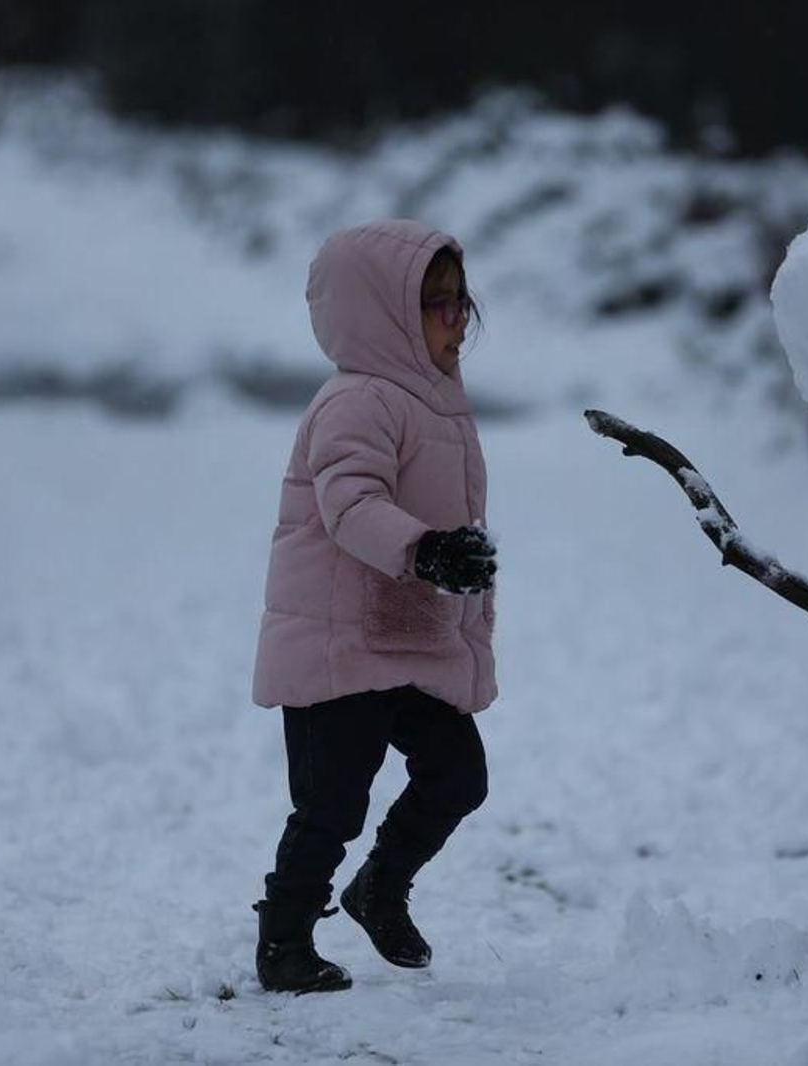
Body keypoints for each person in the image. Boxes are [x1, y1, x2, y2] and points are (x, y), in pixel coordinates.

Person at [250, 219, 499, 994]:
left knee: (458, 777)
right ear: (383, 314)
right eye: (436, 305)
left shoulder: (437, 401)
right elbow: (349, 503)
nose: (457, 320)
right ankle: (284, 940)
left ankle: (380, 889)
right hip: (340, 641)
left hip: (407, 630)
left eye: (461, 302)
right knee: (330, 805)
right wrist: (427, 551)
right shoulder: (358, 401)